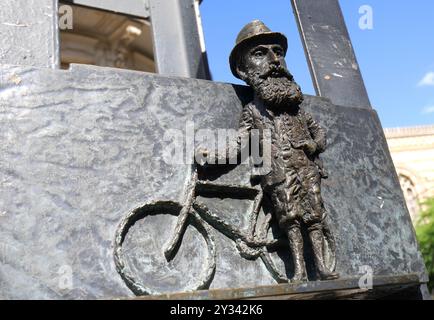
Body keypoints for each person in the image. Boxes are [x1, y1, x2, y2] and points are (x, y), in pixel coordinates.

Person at [198, 20, 338, 281]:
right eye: (260, 53)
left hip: (306, 168)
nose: (274, 60)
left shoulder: (298, 111)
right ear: (243, 70)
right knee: (290, 220)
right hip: (276, 172)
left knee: (314, 217)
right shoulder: (252, 112)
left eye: (278, 51)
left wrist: (314, 145)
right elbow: (240, 144)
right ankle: (299, 271)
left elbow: (318, 132)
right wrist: (212, 157)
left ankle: (322, 267)